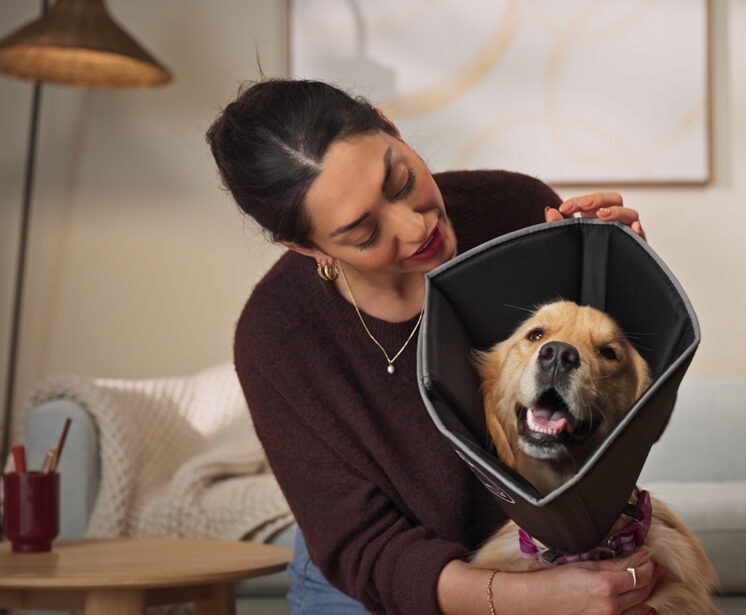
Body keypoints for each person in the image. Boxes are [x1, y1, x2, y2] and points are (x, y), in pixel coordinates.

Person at [206, 78, 661, 615]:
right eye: (363, 234)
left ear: (390, 126)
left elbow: (612, 413)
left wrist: (625, 278)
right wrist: (527, 599)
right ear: (307, 246)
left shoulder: (515, 211)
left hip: (541, 554)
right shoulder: (277, 337)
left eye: (399, 181)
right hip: (381, 586)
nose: (415, 224)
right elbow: (364, 548)